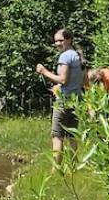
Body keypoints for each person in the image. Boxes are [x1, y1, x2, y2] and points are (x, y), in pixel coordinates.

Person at [32, 28, 86, 156]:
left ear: (69, 40)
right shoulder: (78, 55)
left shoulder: (65, 56)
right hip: (77, 100)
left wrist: (44, 71)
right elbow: (82, 80)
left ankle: (56, 171)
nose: (57, 44)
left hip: (64, 101)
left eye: (61, 40)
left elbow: (63, 79)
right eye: (56, 41)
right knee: (72, 136)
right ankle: (74, 168)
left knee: (57, 136)